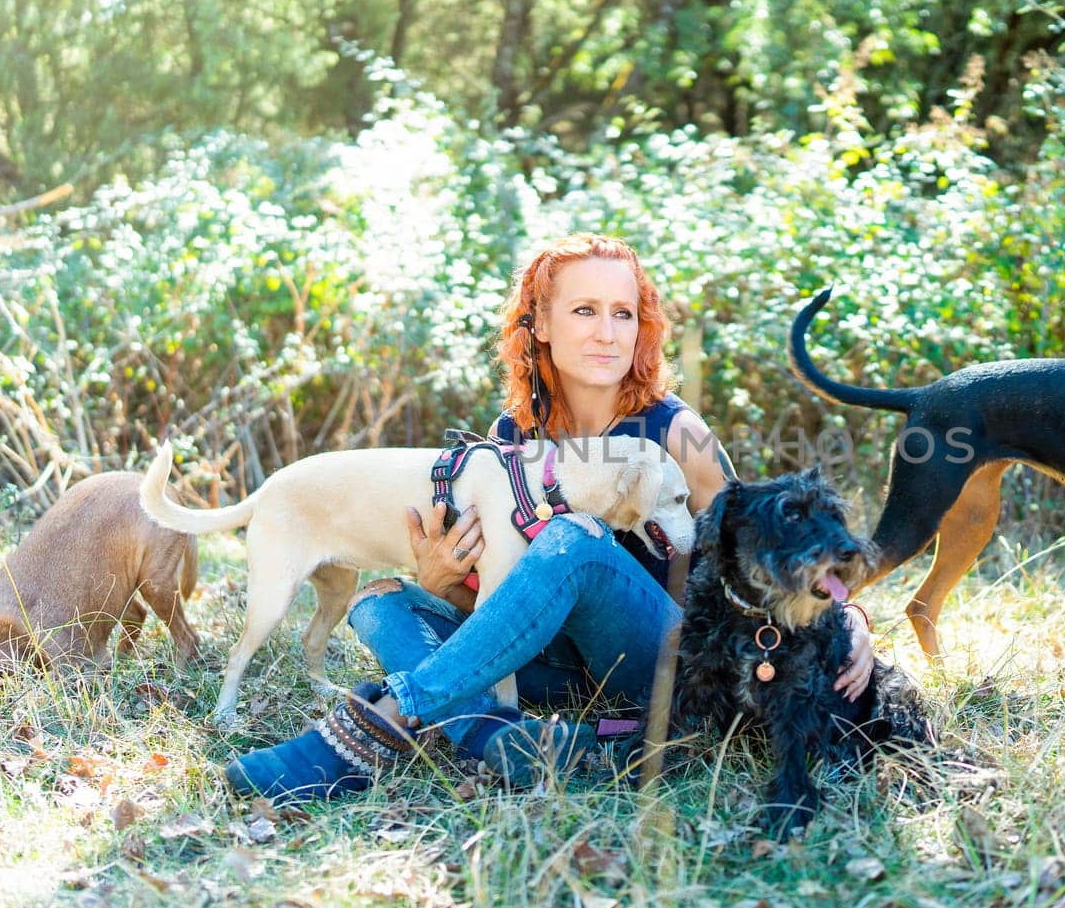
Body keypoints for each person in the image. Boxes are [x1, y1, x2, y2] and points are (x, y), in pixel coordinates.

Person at [225, 233, 875, 799]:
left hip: (664, 655)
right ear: (540, 322)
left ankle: (380, 724)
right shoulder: (509, 442)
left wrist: (849, 616)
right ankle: (536, 741)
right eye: (585, 309)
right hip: (556, 668)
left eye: (624, 313)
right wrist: (437, 575)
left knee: (577, 538)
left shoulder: (679, 434)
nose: (606, 331)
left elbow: (773, 546)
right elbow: (499, 602)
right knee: (380, 603)